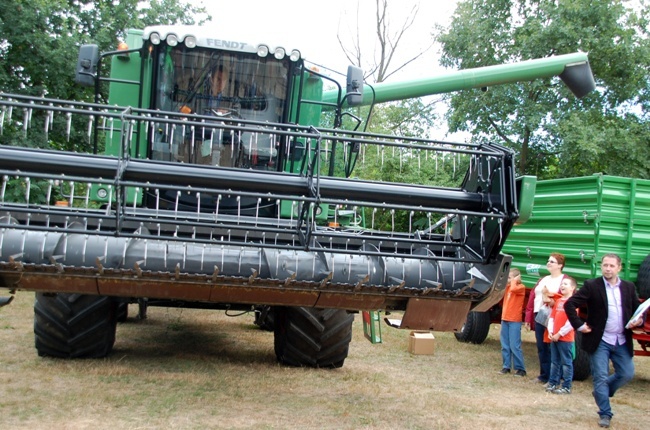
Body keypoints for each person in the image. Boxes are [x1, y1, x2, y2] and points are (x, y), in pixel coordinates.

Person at [565, 253, 644, 428]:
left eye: (611, 266)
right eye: (605, 265)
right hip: (600, 340)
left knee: (626, 373)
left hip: (621, 340)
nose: (608, 268)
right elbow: (569, 304)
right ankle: (605, 413)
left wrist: (640, 320)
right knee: (599, 376)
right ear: (601, 266)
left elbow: (638, 311)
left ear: (619, 268)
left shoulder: (629, 287)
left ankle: (601, 391)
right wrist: (579, 325)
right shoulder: (592, 286)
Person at [524, 252, 567, 384]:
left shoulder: (563, 281)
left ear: (560, 265)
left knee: (552, 347)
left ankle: (555, 376)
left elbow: (566, 300)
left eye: (552, 261)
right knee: (541, 346)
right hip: (540, 315)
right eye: (548, 261)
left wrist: (551, 300)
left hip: (554, 317)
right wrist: (528, 317)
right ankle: (544, 375)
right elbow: (532, 298)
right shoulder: (543, 279)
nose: (548, 263)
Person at [545, 276, 577, 394]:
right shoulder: (559, 301)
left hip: (565, 339)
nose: (562, 286)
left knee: (566, 363)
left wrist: (559, 334)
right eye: (562, 284)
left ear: (572, 288)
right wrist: (551, 331)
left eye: (566, 284)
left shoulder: (573, 303)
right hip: (555, 337)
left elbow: (571, 323)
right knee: (554, 361)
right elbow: (552, 317)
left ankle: (566, 386)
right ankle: (553, 383)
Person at [499, 268, 527, 376]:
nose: (508, 280)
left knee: (514, 345)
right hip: (505, 318)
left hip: (514, 320)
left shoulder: (520, 287)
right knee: (505, 344)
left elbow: (514, 289)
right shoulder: (508, 287)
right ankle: (506, 366)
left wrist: (515, 280)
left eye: (509, 278)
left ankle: (520, 368)